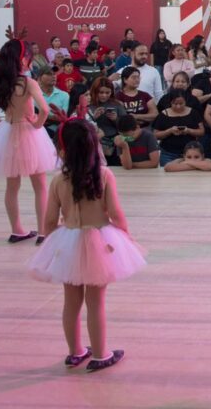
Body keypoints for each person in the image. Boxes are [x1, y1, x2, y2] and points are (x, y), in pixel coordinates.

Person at [27, 118, 143, 372]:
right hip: (100, 241)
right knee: (96, 302)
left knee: (71, 302)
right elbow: (115, 213)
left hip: (69, 240)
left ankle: (75, 351)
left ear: (64, 149)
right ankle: (101, 354)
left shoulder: (59, 180)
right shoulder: (103, 175)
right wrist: (125, 234)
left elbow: (48, 220)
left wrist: (54, 237)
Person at [0, 40, 57, 244]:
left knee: (12, 186)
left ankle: (16, 229)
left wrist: (0, 124)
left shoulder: (2, 84)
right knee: (40, 185)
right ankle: (43, 231)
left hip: (9, 132)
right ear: (23, 59)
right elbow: (44, 110)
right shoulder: (28, 83)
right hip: (30, 134)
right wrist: (37, 124)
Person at [152, 89, 205, 166]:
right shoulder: (163, 114)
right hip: (168, 153)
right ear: (170, 102)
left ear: (185, 102)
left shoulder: (193, 113)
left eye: (181, 103)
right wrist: (169, 131)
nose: (178, 106)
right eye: (175, 104)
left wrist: (189, 131)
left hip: (190, 154)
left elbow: (201, 131)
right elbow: (155, 135)